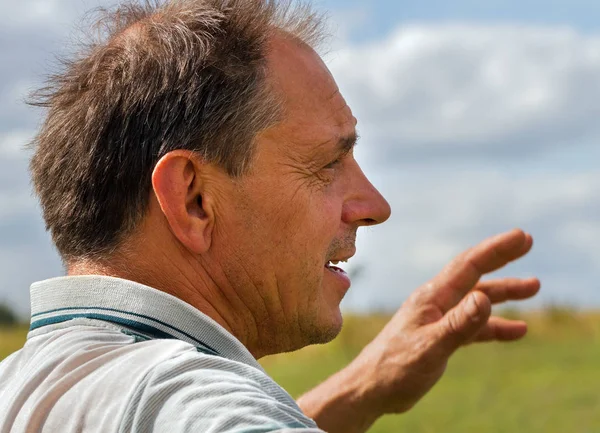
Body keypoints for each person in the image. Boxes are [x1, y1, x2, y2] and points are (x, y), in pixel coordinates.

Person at [0, 1, 540, 432]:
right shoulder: (205, 406)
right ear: (193, 200)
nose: (374, 206)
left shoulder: (22, 387)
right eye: (328, 164)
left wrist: (360, 390)